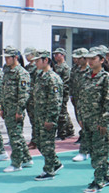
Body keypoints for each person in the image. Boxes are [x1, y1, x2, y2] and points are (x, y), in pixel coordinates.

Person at [80, 47, 109, 193]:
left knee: (99, 153)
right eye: (88, 58)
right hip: (87, 121)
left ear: (101, 60)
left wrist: (104, 121)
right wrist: (81, 118)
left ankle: (98, 181)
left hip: (99, 123)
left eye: (93, 58)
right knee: (93, 151)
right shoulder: (86, 76)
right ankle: (106, 176)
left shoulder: (106, 78)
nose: (90, 61)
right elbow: (82, 98)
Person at [32, 50, 64, 181]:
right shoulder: (40, 75)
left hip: (47, 118)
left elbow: (55, 101)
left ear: (46, 60)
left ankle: (49, 170)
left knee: (47, 144)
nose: (35, 63)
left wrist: (50, 119)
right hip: (39, 116)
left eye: (37, 60)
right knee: (40, 143)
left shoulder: (53, 78)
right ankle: (55, 163)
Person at [1, 46, 33, 172]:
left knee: (15, 137)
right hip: (8, 109)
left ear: (15, 58)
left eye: (8, 57)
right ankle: (26, 158)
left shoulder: (22, 73)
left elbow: (23, 94)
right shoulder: (7, 72)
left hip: (15, 110)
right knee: (15, 135)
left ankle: (16, 163)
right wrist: (2, 108)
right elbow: (3, 91)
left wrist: (19, 111)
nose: (6, 60)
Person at [70, 48, 90, 162]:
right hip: (78, 101)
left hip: (89, 102)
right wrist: (72, 96)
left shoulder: (90, 70)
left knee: (87, 126)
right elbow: (72, 83)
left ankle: (84, 151)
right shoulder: (76, 69)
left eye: (79, 58)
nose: (76, 60)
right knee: (82, 124)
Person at [53, 48, 75, 140]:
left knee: (61, 113)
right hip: (55, 93)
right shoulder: (55, 66)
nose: (55, 56)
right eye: (54, 54)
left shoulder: (65, 68)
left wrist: (63, 94)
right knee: (63, 112)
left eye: (57, 54)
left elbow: (66, 83)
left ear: (63, 55)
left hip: (62, 93)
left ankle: (62, 133)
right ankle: (69, 129)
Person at [23, 47, 39, 150]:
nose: (26, 57)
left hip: (34, 97)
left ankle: (35, 141)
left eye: (28, 55)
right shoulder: (26, 67)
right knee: (32, 120)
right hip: (28, 97)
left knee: (35, 120)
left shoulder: (36, 67)